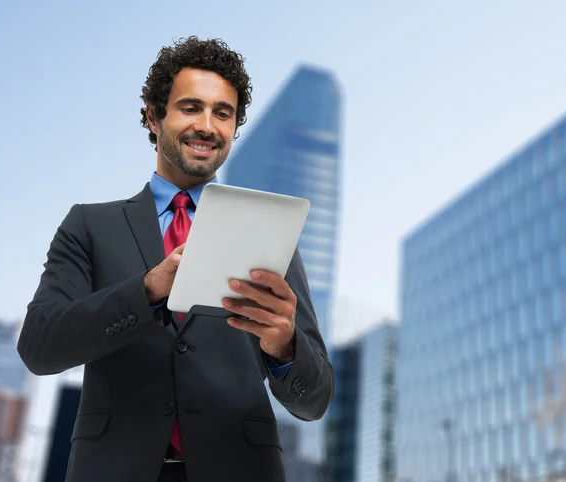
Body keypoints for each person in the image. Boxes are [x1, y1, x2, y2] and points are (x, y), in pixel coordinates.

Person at [17, 36, 333, 482]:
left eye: (222, 113)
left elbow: (314, 401)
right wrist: (146, 290)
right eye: (190, 107)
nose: (207, 125)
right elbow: (40, 348)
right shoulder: (89, 226)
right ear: (153, 115)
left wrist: (285, 348)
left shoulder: (271, 234)